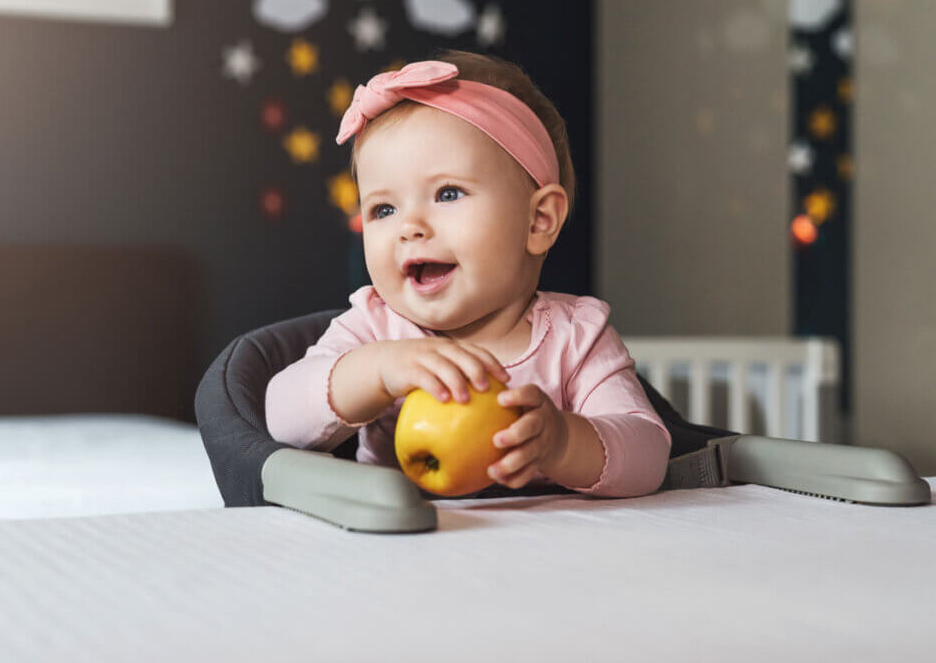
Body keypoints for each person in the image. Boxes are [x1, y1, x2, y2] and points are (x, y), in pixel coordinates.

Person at [264, 50, 671, 498]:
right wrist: (378, 372)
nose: (410, 227)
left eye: (448, 193)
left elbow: (649, 457)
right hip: (402, 547)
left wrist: (563, 442)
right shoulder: (378, 329)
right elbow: (280, 417)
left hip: (549, 553)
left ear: (538, 222)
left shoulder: (577, 338)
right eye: (383, 208)